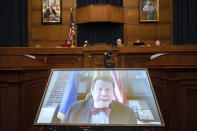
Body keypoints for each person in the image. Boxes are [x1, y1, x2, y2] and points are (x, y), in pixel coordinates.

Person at [62, 76, 137, 124]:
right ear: (92, 91)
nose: (104, 94)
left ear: (113, 92)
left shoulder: (128, 113)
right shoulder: (75, 108)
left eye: (108, 90)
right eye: (100, 89)